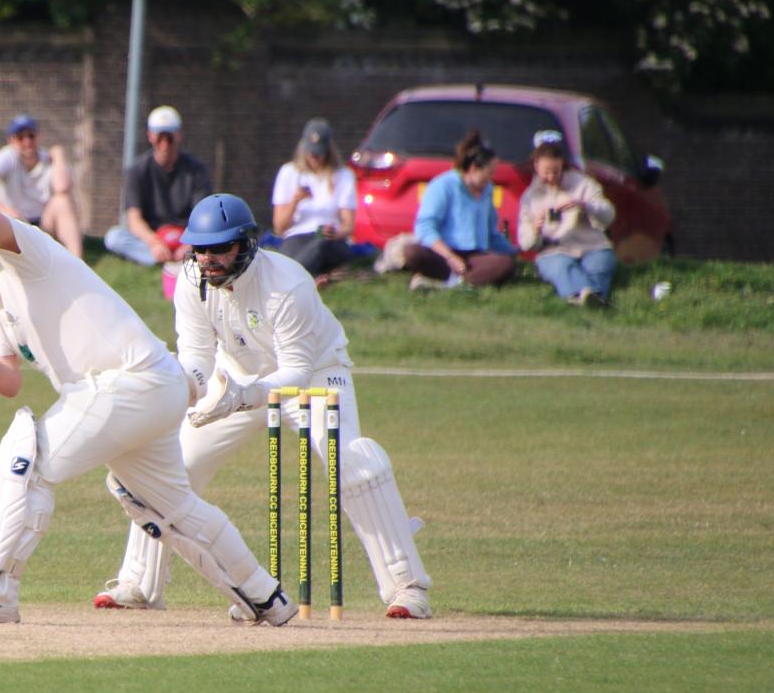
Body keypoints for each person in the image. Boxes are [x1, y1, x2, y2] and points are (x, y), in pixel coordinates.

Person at [0, 203, 300, 626]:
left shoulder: (30, 254)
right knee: (171, 507)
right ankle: (265, 597)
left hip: (131, 380)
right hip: (147, 392)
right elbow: (9, 382)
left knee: (26, 462)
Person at [93, 193, 433, 620]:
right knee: (174, 462)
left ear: (245, 244)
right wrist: (182, 389)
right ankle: (140, 582)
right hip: (232, 375)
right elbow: (197, 358)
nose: (209, 258)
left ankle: (408, 587)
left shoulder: (287, 285)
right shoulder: (190, 280)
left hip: (314, 376)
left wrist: (244, 394)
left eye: (220, 248)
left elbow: (294, 369)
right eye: (201, 248)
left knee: (350, 463)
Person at [402, 129, 517, 290]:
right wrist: (450, 257)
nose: (492, 178)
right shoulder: (443, 185)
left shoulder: (487, 190)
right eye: (489, 173)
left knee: (505, 264)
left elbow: (492, 233)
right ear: (473, 168)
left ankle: (451, 284)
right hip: (443, 253)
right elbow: (425, 228)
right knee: (412, 252)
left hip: (475, 256)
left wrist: (513, 251)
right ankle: (462, 281)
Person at [103, 106, 213, 267]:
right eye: (159, 136)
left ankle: (181, 257)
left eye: (169, 136)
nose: (164, 143)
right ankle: (166, 259)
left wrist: (189, 245)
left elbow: (203, 218)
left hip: (186, 237)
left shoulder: (197, 171)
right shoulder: (137, 170)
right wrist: (154, 243)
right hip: (153, 236)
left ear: (179, 135)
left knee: (214, 238)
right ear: (150, 136)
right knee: (114, 237)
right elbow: (134, 219)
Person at [516, 129, 617, 306]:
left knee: (600, 265)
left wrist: (585, 205)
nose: (551, 177)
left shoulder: (584, 184)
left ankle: (583, 297)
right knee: (559, 266)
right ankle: (590, 296)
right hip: (555, 250)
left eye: (556, 171)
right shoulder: (530, 197)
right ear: (536, 166)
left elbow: (609, 215)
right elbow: (526, 243)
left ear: (563, 164)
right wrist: (536, 230)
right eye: (546, 172)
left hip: (592, 245)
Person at [0, 114, 84, 258]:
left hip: (44, 224)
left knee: (62, 201)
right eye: (20, 137)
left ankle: (77, 261)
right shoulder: (8, 157)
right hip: (14, 223)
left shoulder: (48, 158)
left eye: (31, 136)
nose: (27, 142)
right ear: (11, 141)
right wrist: (3, 210)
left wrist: (59, 157)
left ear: (39, 136)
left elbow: (62, 188)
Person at [270, 118, 358, 279]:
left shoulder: (344, 175)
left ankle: (291, 278)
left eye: (319, 153)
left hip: (328, 237)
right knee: (294, 250)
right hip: (297, 235)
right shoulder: (288, 172)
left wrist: (335, 232)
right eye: (311, 153)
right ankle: (306, 275)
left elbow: (348, 226)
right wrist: (295, 201)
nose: (315, 157)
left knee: (320, 244)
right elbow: (279, 228)